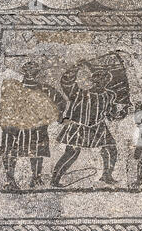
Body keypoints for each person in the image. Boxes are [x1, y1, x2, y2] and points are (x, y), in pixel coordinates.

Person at [51, 53, 132, 187]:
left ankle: (107, 175)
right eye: (100, 79)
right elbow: (66, 81)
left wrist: (121, 113)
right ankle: (55, 179)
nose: (103, 82)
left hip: (98, 127)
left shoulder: (109, 95)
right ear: (94, 80)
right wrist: (76, 66)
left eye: (106, 80)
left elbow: (110, 115)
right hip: (78, 126)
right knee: (72, 152)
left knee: (110, 148)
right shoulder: (78, 92)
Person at [0, 61, 66, 189]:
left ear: (37, 72)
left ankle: (36, 178)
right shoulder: (13, 87)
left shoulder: (45, 89)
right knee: (10, 149)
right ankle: (10, 180)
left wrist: (58, 117)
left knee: (37, 149)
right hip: (14, 125)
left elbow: (60, 101)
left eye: (33, 69)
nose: (31, 72)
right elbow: (4, 105)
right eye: (28, 69)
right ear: (24, 71)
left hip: (37, 125)